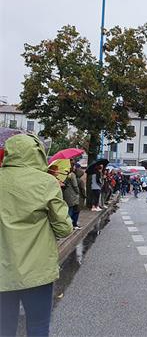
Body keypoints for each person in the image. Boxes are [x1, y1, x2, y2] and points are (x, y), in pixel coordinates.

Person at [0, 134, 74, 337]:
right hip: (37, 270)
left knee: (4, 329)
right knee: (38, 326)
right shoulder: (46, 183)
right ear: (38, 153)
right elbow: (64, 229)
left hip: (3, 271)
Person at [63, 161, 81, 230]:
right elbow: (75, 185)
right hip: (72, 194)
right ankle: (69, 225)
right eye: (74, 166)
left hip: (66, 194)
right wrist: (78, 192)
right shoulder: (72, 174)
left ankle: (68, 225)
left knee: (69, 209)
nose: (75, 167)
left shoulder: (65, 174)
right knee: (71, 210)